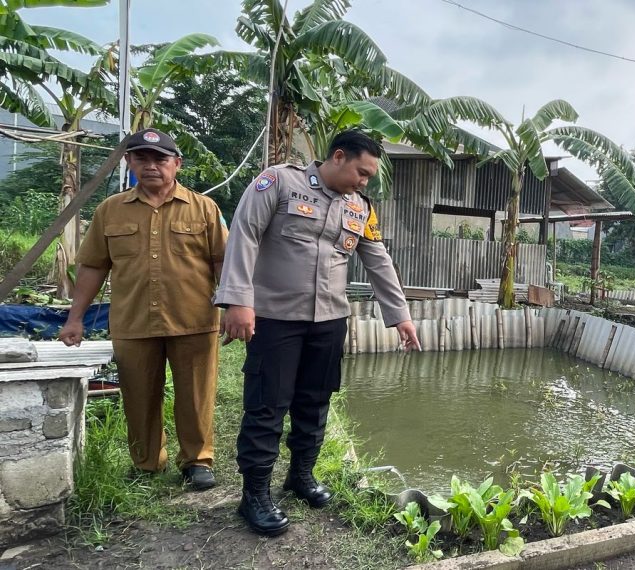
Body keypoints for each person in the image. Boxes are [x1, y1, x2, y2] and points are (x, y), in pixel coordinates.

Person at [215, 130, 421, 536]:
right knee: (267, 406)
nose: (364, 182)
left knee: (316, 401)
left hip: (328, 321)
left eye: (369, 178)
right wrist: (237, 300)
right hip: (275, 318)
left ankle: (300, 476)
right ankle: (254, 495)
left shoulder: (361, 208)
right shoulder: (278, 182)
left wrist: (400, 315)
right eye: (361, 173)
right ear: (339, 157)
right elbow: (244, 235)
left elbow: (378, 260)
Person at [60, 128, 228, 491]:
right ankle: (147, 462)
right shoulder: (111, 211)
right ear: (129, 162)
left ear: (176, 164)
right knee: (137, 396)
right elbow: (92, 266)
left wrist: (233, 308)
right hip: (133, 322)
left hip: (194, 320)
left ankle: (197, 461)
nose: (151, 166)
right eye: (142, 158)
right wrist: (75, 319)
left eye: (160, 159)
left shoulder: (204, 209)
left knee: (196, 395)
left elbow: (223, 263)